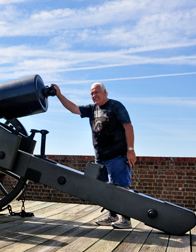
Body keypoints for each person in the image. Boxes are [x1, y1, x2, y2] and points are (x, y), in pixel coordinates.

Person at [50, 82, 136, 229]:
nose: (94, 95)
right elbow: (73, 109)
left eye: (96, 92)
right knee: (104, 189)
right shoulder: (92, 109)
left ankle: (126, 220)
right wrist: (59, 95)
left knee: (120, 187)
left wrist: (130, 150)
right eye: (92, 93)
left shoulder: (116, 106)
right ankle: (112, 216)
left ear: (105, 92)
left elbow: (128, 126)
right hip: (100, 157)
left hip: (117, 155)